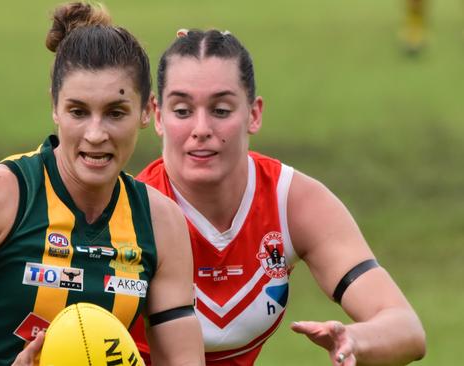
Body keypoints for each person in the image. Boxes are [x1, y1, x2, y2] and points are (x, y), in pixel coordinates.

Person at [0, 3, 204, 365]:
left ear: (146, 111)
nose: (95, 134)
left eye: (115, 112)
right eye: (78, 111)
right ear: (55, 107)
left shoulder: (160, 223)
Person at [130, 29, 426, 365]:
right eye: (182, 110)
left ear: (253, 114)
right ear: (157, 115)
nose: (201, 128)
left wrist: (354, 339)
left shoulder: (291, 201)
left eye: (222, 110)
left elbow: (406, 328)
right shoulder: (129, 213)